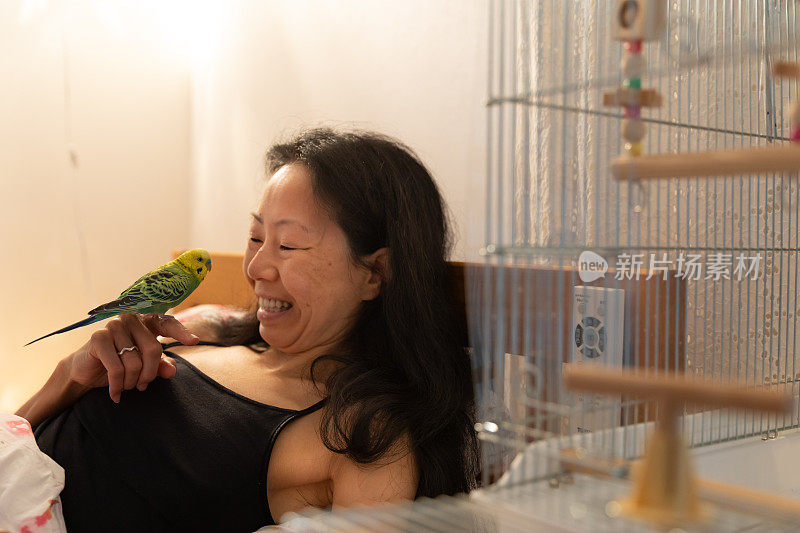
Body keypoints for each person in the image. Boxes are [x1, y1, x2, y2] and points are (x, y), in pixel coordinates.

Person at [16, 128, 479, 532]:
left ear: (374, 275)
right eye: (256, 237)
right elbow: (18, 439)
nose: (256, 268)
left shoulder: (367, 436)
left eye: (289, 244)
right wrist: (71, 377)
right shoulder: (204, 326)